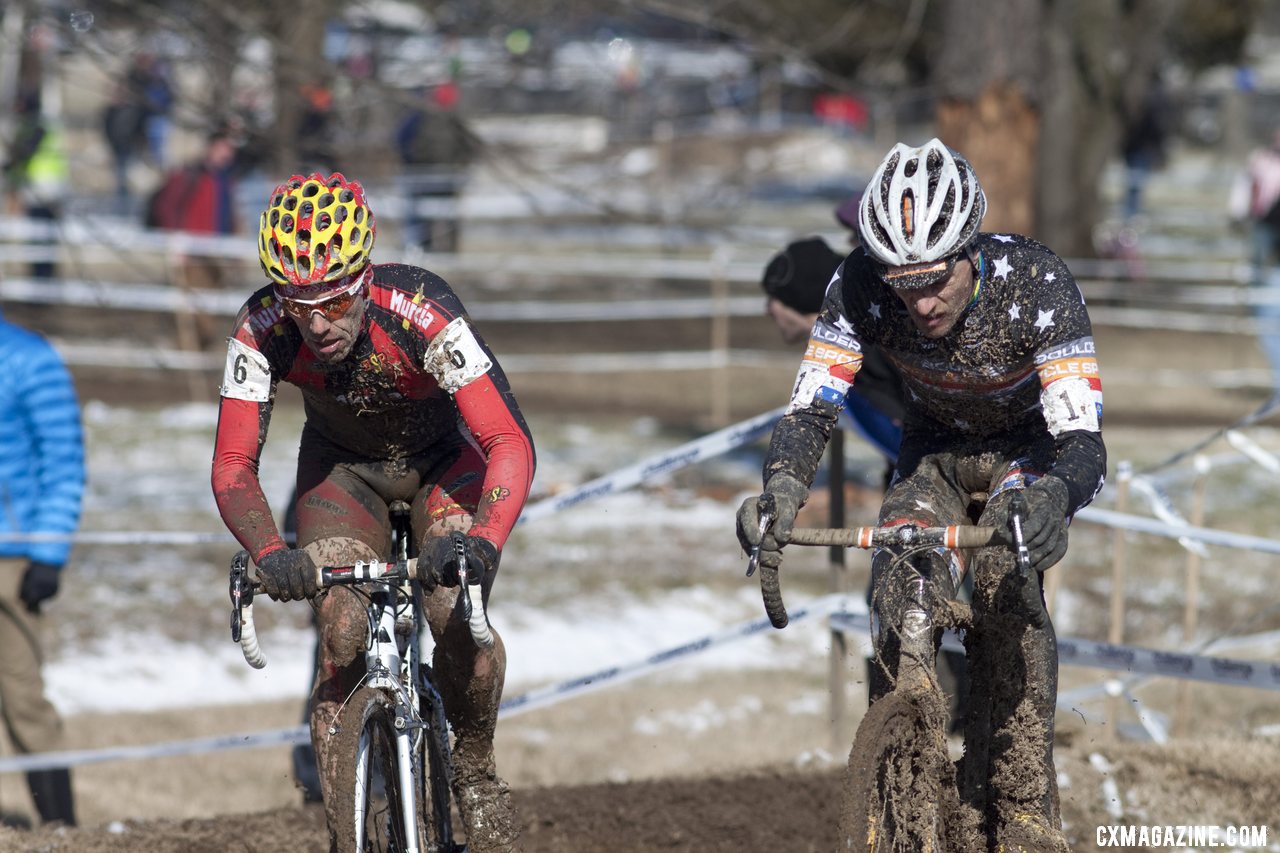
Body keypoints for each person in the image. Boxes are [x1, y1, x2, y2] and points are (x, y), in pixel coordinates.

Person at [737, 139, 1105, 851]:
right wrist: (782, 487)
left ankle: (1025, 802)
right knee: (900, 590)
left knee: (1005, 578)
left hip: (1024, 455)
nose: (921, 300)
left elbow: (1083, 441)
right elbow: (812, 408)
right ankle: (899, 774)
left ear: (971, 251)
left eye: (935, 279)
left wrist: (1057, 497)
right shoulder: (860, 285)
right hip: (931, 451)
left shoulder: (1037, 283)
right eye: (904, 284)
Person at [211, 172, 535, 852]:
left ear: (363, 275)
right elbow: (233, 466)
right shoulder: (263, 326)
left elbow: (507, 441)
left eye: (333, 301)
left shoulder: (420, 308)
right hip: (342, 475)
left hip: (444, 466)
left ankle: (473, 773)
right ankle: (344, 835)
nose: (318, 324)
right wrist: (272, 553)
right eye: (300, 305)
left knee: (456, 618)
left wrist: (484, 542)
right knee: (339, 630)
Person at [760, 199, 975, 737]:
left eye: (773, 301)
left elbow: (921, 416)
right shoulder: (841, 345)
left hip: (960, 485)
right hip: (906, 482)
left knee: (962, 608)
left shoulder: (882, 342)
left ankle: (968, 727)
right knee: (891, 600)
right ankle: (900, 732)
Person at [0, 300, 84, 828]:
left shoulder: (28, 359)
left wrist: (49, 554)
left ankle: (63, 830)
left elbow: (63, 460)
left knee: (23, 700)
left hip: (13, 557)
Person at [1229, 129, 1280, 392]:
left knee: (1268, 321)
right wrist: (1238, 213)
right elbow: (1245, 188)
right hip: (1267, 243)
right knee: (1265, 318)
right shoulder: (1260, 160)